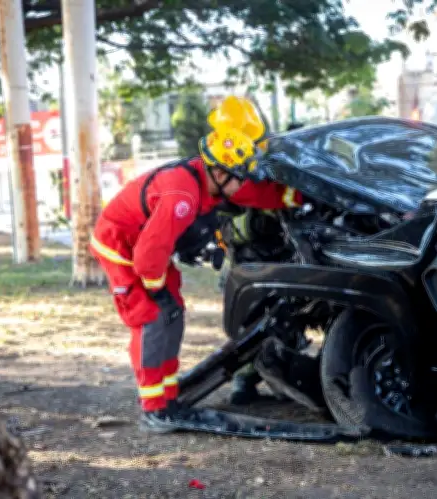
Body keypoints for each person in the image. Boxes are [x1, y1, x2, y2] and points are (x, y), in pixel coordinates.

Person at [90, 96, 303, 432]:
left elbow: (251, 193)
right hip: (122, 248)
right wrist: (155, 288)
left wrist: (298, 197)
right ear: (219, 172)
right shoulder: (183, 196)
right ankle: (155, 409)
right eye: (238, 176)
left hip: (146, 249)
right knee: (152, 317)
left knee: (172, 314)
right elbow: (148, 254)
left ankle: (167, 397)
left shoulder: (212, 178)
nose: (242, 182)